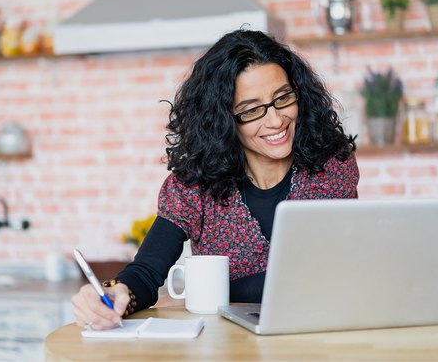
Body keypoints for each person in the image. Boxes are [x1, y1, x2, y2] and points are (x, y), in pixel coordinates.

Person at [72, 29, 359, 330]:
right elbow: (146, 271)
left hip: (316, 338)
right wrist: (116, 293)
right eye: (251, 111)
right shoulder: (194, 185)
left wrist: (225, 290)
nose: (275, 120)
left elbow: (346, 269)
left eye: (283, 98)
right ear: (222, 119)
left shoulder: (331, 167)